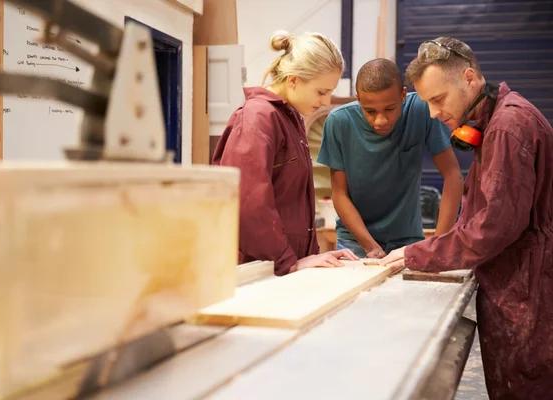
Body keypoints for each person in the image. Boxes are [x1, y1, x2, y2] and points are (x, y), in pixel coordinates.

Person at [380, 37, 553, 399]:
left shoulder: (508, 127)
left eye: (438, 99)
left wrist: (419, 254)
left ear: (470, 78)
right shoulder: (496, 121)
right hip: (520, 285)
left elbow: (493, 226)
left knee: (525, 387)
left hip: (529, 292)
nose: (432, 113)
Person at [212, 31, 357, 276]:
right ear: (293, 80)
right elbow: (248, 203)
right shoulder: (257, 117)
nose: (326, 101)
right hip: (258, 271)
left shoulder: (289, 118)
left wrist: (310, 256)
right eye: (321, 92)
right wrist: (287, 261)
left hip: (280, 268)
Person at [317, 58, 464, 258]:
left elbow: (453, 175)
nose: (380, 120)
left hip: (407, 241)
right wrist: (371, 247)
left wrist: (437, 245)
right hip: (355, 242)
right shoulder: (339, 122)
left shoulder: (421, 111)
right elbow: (340, 194)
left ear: (403, 94)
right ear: (358, 99)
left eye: (390, 109)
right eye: (370, 111)